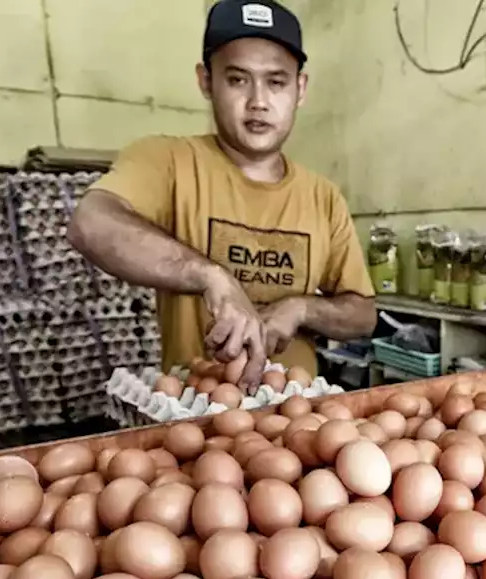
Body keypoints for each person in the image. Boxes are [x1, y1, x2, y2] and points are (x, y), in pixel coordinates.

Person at [67, 0, 377, 392]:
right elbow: (90, 224)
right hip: (200, 411)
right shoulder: (167, 161)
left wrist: (299, 308)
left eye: (276, 82)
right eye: (237, 80)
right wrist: (211, 277)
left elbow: (363, 314)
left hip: (297, 424)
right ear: (205, 81)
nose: (259, 101)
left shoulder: (323, 196)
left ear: (300, 89)